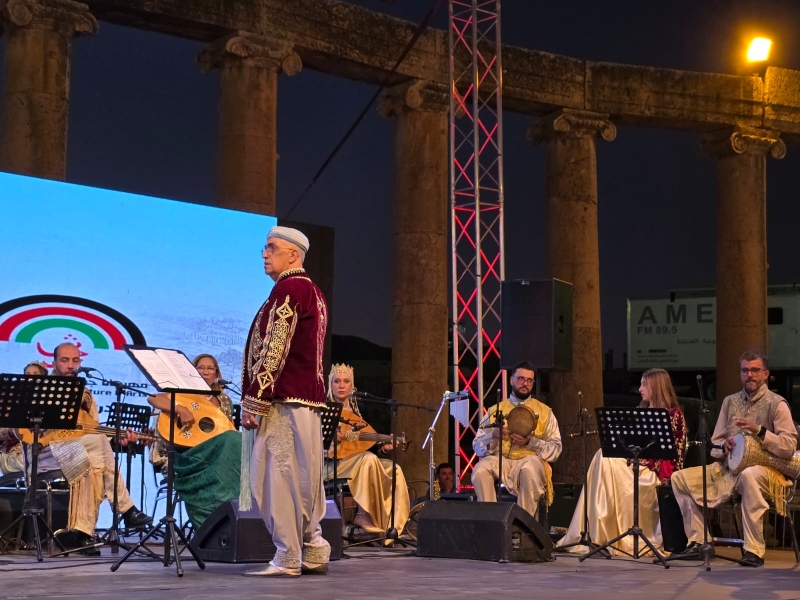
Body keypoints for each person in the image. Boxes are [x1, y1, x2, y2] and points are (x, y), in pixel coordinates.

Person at [240, 226, 330, 578]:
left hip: (284, 402)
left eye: (271, 247)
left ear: (293, 254)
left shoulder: (289, 289)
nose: (264, 254)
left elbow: (275, 346)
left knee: (276, 477)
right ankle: (312, 547)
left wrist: (256, 400)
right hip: (303, 402)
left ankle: (288, 556)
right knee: (303, 478)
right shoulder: (312, 290)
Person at [671, 351, 797, 567]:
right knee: (679, 478)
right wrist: (724, 446)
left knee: (749, 475)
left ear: (766, 374)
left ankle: (753, 550)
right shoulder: (730, 402)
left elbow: (788, 446)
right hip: (729, 468)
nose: (750, 375)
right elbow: (715, 443)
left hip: (768, 470)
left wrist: (760, 431)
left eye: (755, 370)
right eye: (745, 370)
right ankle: (699, 541)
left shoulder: (777, 404)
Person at [33, 344, 151, 554]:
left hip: (79, 450)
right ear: (54, 362)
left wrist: (119, 438)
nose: (71, 365)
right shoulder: (42, 389)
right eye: (64, 360)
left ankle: (83, 535)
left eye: (75, 360)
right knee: (96, 452)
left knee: (94, 464)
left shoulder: (85, 395)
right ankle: (125, 510)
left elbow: (92, 430)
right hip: (46, 452)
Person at [556, 368, 686, 556]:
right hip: (635, 464)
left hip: (654, 473)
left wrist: (643, 461)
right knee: (603, 455)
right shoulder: (641, 411)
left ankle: (602, 534)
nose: (640, 389)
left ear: (656, 386)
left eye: (644, 384)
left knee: (605, 459)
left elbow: (674, 454)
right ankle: (596, 532)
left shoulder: (673, 415)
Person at [145, 353, 240, 528]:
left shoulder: (224, 401)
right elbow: (153, 397)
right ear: (193, 371)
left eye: (210, 368)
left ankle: (231, 522)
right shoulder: (184, 394)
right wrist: (179, 408)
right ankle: (212, 527)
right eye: (201, 367)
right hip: (188, 457)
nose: (205, 371)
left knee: (237, 442)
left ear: (216, 373)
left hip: (217, 456)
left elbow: (229, 431)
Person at [325, 363, 410, 537]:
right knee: (368, 459)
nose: (341, 386)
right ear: (330, 384)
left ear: (352, 386)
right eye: (337, 381)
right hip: (333, 464)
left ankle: (392, 526)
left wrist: (383, 447)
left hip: (360, 461)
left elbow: (368, 442)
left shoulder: (361, 412)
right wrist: (331, 440)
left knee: (394, 469)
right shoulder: (323, 410)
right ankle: (362, 515)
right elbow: (314, 444)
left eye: (346, 381)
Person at [471, 361, 562, 519]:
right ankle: (491, 521)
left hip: (530, 459)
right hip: (500, 459)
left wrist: (530, 442)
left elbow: (556, 449)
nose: (525, 383)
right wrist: (493, 435)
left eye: (529, 380)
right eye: (521, 379)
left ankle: (522, 525)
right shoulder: (495, 410)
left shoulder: (545, 412)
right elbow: (477, 446)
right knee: (480, 470)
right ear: (511, 380)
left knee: (529, 470)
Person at [0, 362, 47, 480]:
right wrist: (16, 430)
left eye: (36, 374)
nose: (31, 378)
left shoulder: (49, 401)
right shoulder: (11, 399)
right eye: (28, 375)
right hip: (14, 455)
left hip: (41, 451)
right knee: (33, 459)